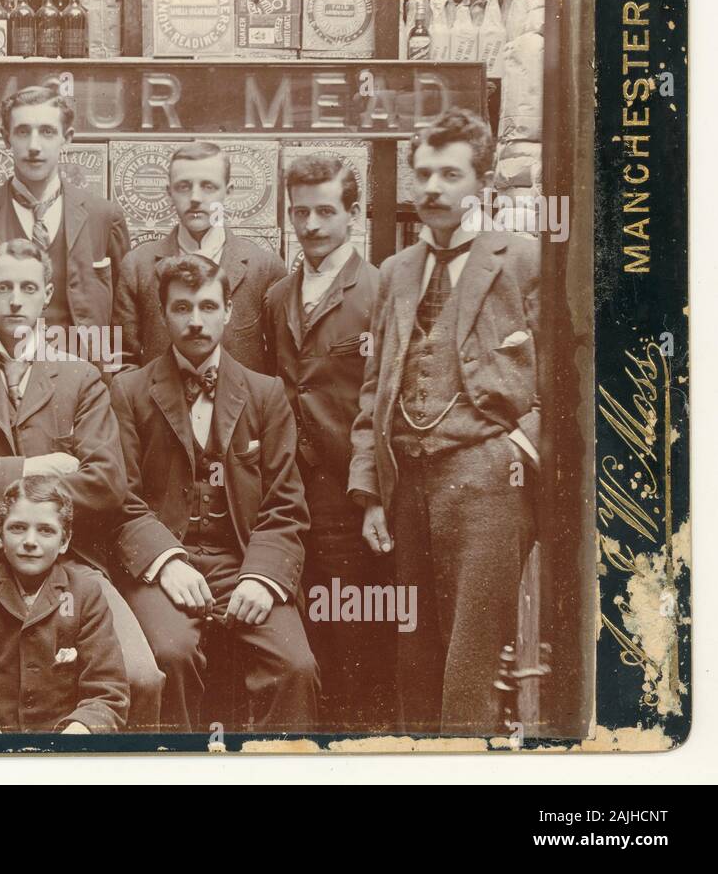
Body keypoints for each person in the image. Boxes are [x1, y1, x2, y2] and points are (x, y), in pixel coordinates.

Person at [0, 238, 163, 726]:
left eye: (26, 287)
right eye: (3, 287)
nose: (15, 300)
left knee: (143, 678)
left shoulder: (81, 378)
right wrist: (37, 468)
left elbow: (106, 484)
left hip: (72, 566)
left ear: (47, 294)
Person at [348, 108, 539, 735]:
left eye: (450, 174)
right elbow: (374, 390)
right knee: (415, 650)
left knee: (473, 658)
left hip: (487, 483)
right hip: (407, 484)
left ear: (481, 184)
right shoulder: (395, 272)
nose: (432, 187)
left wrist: (517, 447)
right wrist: (372, 493)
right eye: (423, 173)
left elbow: (569, 382)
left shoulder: (523, 261)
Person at [111, 254, 319, 732]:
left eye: (208, 306)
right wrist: (167, 561)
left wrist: (262, 578)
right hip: (163, 566)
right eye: (182, 308)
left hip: (243, 560)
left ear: (229, 310)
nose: (196, 321)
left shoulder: (266, 393)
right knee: (170, 655)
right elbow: (121, 498)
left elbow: (285, 505)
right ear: (163, 314)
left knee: (296, 667)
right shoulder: (129, 390)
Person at [264, 155, 394, 732]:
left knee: (354, 630)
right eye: (300, 212)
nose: (311, 224)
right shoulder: (275, 297)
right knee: (299, 633)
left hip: (350, 494)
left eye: (325, 211)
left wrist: (373, 493)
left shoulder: (380, 292)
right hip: (288, 496)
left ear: (354, 214)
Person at [0, 475, 129, 734]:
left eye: (46, 530)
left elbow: (108, 690)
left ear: (65, 541)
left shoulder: (86, 595)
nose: (30, 541)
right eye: (17, 528)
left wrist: (79, 731)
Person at [0, 84, 130, 360]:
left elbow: (124, 321)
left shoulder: (104, 217)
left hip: (83, 385)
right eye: (22, 132)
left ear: (67, 138)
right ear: (6, 138)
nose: (34, 146)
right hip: (1, 386)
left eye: (47, 132)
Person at [113, 141, 285, 374]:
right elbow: (121, 359)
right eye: (183, 187)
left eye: (208, 187)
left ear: (229, 191)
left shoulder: (264, 267)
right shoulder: (137, 266)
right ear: (169, 192)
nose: (195, 198)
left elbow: (280, 364)